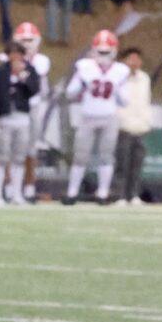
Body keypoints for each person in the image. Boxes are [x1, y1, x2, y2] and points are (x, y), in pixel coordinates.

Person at [63, 31, 127, 203]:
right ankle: (72, 192)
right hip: (88, 116)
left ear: (114, 51)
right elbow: (70, 93)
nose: (103, 55)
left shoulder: (120, 71)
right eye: (101, 51)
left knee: (106, 156)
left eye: (106, 51)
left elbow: (125, 101)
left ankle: (103, 193)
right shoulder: (85, 68)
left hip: (109, 116)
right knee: (80, 155)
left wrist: (116, 89)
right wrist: (83, 84)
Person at [0, 40, 42, 205]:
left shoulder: (29, 70)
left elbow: (34, 90)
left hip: (22, 117)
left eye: (18, 53)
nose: (16, 57)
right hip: (4, 118)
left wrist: (22, 77)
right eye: (13, 53)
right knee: (2, 156)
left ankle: (17, 194)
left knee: (19, 157)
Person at [110, 45, 153, 203]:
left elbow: (145, 101)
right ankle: (120, 195)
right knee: (122, 163)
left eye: (137, 59)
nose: (134, 62)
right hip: (123, 126)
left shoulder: (144, 78)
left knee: (137, 164)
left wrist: (147, 121)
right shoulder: (118, 77)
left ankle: (134, 194)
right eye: (131, 59)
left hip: (140, 127)